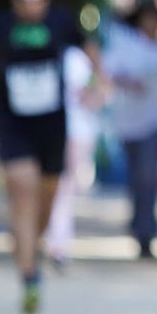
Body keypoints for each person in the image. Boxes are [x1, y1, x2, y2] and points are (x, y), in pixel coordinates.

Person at [0, 0, 101, 314]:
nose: (32, 4)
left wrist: (98, 87)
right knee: (22, 192)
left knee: (47, 198)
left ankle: (27, 242)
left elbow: (92, 53)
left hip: (52, 125)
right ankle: (30, 277)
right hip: (13, 124)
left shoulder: (62, 22)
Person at [104, 0, 157, 260]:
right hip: (128, 122)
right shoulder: (126, 47)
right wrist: (129, 82)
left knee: (149, 175)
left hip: (156, 121)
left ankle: (147, 231)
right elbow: (108, 73)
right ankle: (138, 223)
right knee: (137, 176)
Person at [43, 43, 105, 268]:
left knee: (60, 187)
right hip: (66, 132)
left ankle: (57, 241)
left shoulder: (74, 57)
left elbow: (94, 96)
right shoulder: (76, 58)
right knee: (60, 188)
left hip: (70, 132)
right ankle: (56, 242)